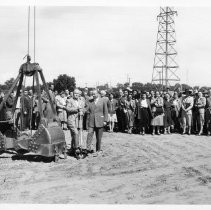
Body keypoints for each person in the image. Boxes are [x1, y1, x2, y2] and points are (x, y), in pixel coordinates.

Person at [86, 89, 108, 155]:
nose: (93, 95)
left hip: (100, 121)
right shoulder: (90, 101)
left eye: (94, 94)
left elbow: (105, 111)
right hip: (91, 121)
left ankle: (98, 149)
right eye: (92, 94)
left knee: (99, 137)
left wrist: (105, 120)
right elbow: (86, 109)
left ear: (98, 94)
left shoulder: (103, 101)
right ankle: (88, 149)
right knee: (89, 135)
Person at [65, 89, 85, 156]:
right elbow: (67, 109)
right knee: (75, 133)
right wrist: (76, 110)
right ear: (73, 94)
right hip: (71, 120)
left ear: (79, 94)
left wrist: (82, 112)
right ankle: (76, 148)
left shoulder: (81, 101)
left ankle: (72, 149)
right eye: (75, 93)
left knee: (74, 135)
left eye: (77, 93)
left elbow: (83, 109)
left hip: (79, 120)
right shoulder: (69, 100)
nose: (76, 94)